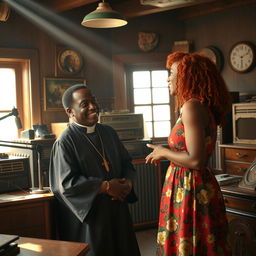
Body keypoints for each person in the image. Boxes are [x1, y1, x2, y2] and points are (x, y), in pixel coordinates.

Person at [145, 52, 232, 256]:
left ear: (188, 76)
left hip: (191, 187)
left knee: (190, 245)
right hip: (190, 185)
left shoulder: (191, 106)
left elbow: (196, 159)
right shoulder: (198, 106)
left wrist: (163, 151)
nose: (168, 78)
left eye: (173, 73)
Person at [49, 84, 141, 256]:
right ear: (70, 112)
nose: (93, 106)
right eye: (85, 104)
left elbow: (127, 163)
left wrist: (127, 182)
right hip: (93, 217)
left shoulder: (108, 132)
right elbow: (66, 185)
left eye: (94, 101)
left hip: (117, 209)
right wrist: (106, 187)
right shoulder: (65, 142)